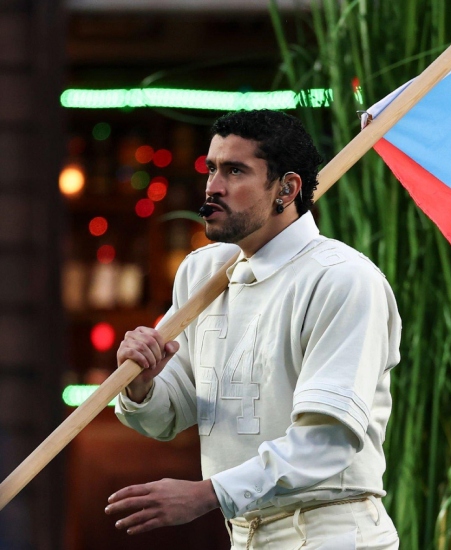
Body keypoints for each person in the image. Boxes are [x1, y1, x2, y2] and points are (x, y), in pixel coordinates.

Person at [105, 110, 402, 549]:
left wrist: (207, 494)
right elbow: (168, 416)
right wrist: (141, 384)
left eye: (235, 171)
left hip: (333, 533)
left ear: (287, 188)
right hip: (245, 535)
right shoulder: (200, 273)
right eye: (211, 168)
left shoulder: (343, 280)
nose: (213, 187)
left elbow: (326, 441)